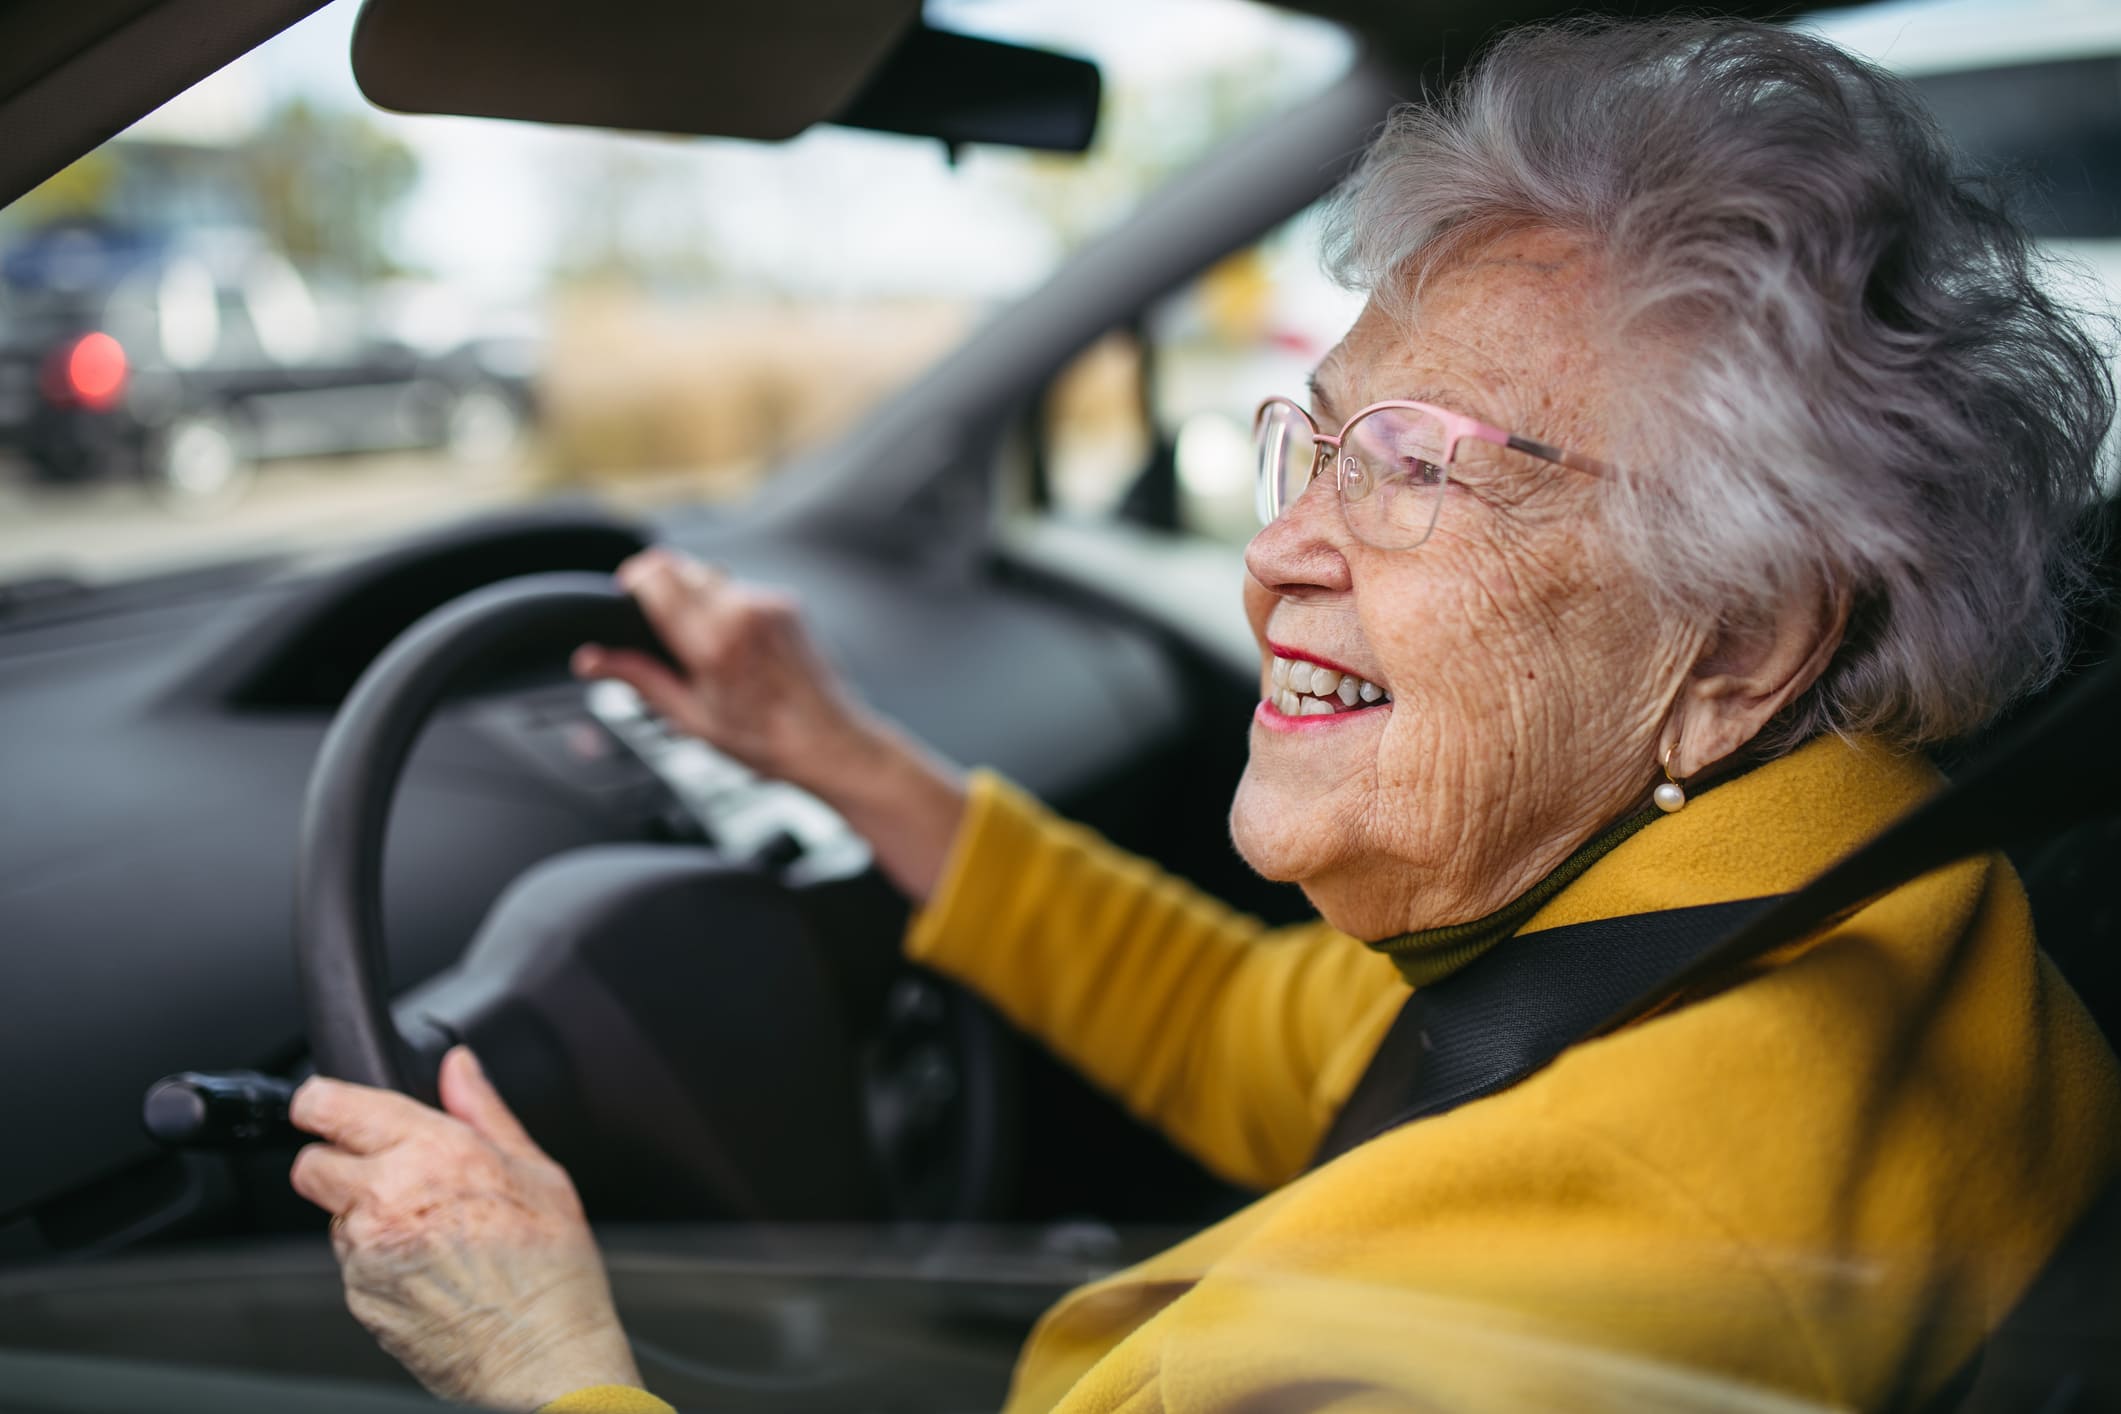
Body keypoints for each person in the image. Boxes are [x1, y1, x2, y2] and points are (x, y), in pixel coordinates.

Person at [286, 17, 2121, 1412]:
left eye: (1414, 468)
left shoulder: (1478, 1321)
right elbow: (1275, 1033)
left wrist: (548, 1357)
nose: (1280, 553)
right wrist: (846, 761)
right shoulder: (1826, 880)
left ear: (1737, 645)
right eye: (1307, 443)